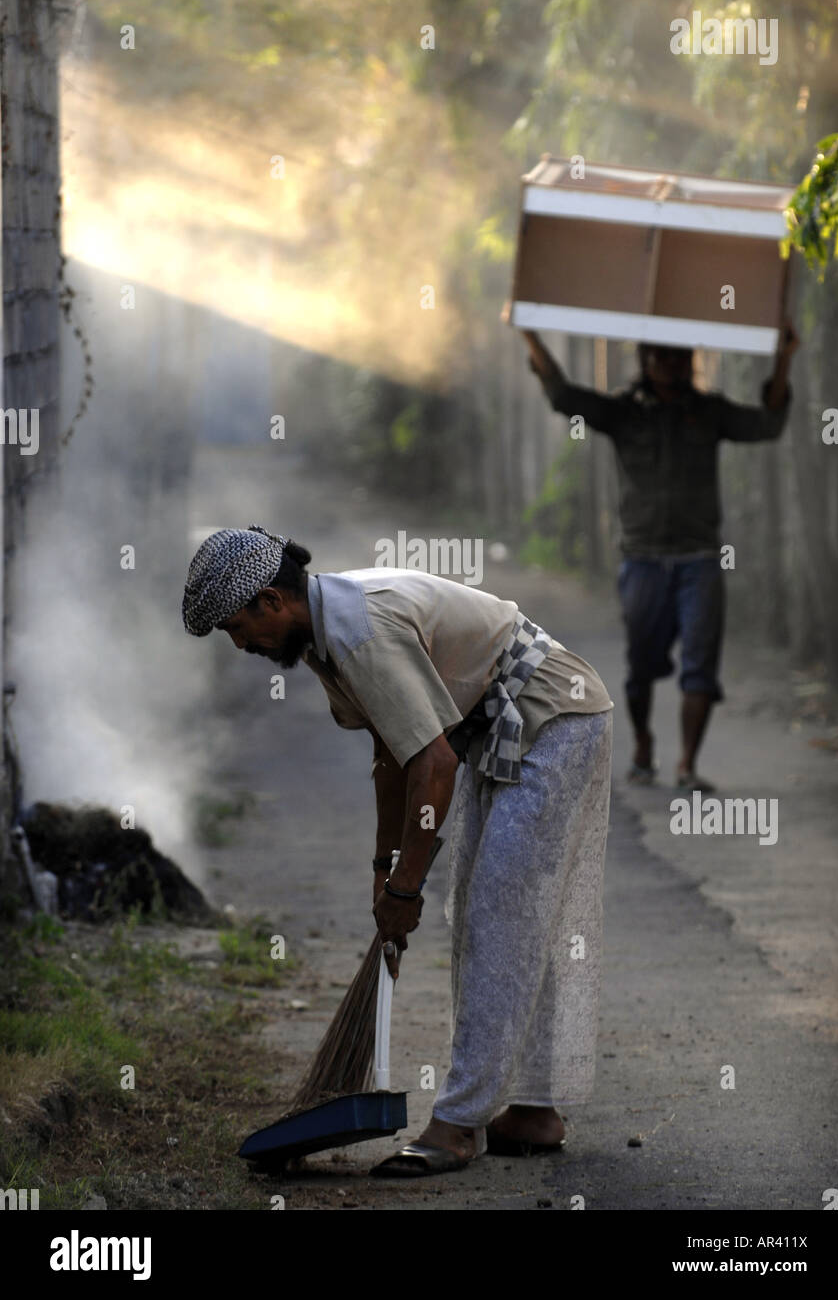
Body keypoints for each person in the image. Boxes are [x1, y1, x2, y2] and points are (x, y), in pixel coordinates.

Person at [182, 527, 614, 1176]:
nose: (240, 646)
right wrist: (385, 870)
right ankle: (533, 1108)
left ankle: (457, 1125)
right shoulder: (324, 639)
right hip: (502, 726)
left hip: (550, 715)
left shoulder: (357, 632)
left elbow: (432, 764)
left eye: (236, 628)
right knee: (496, 917)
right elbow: (391, 753)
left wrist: (408, 891)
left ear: (272, 602)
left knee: (499, 917)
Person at [521, 325, 797, 790]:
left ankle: (687, 764)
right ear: (646, 359)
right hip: (643, 559)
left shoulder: (709, 412)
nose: (671, 363)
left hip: (700, 560)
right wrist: (530, 333)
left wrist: (785, 355)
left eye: (679, 356)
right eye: (662, 355)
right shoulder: (623, 413)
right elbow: (563, 396)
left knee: (700, 665)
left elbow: (767, 424)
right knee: (641, 666)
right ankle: (644, 740)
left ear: (690, 361)